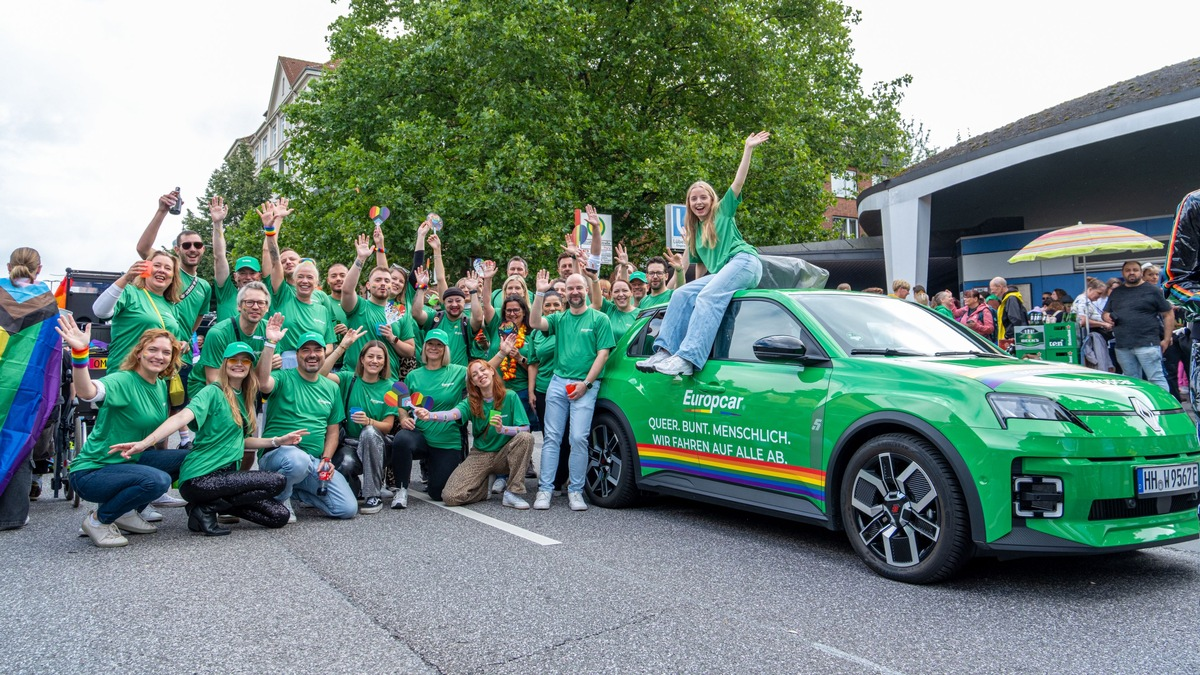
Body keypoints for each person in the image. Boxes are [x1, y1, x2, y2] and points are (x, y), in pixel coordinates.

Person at [109, 342, 301, 535]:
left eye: (245, 361)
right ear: (225, 364)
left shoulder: (245, 396)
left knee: (278, 516)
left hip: (224, 480)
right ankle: (205, 508)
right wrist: (145, 443)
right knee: (276, 481)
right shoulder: (212, 392)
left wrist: (277, 441)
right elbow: (182, 416)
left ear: (251, 366)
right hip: (201, 477)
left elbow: (240, 441)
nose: (239, 364)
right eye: (234, 359)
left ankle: (205, 507)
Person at [640, 132, 768, 377]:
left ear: (712, 200)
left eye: (703, 197)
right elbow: (699, 273)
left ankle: (688, 358)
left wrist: (748, 149)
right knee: (681, 294)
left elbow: (738, 182)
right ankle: (665, 351)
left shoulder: (723, 212)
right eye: (693, 199)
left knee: (709, 296)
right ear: (689, 204)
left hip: (745, 263)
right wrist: (683, 276)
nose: (699, 202)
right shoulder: (695, 234)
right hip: (723, 272)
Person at [60, 322, 189, 547]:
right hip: (94, 471)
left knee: (189, 457)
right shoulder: (124, 380)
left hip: (129, 461)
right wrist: (80, 355)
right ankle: (99, 520)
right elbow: (88, 391)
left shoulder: (159, 384)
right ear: (139, 353)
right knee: (158, 480)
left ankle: (126, 511)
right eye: (153, 349)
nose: (159, 356)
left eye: (166, 352)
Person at [529, 270, 615, 510]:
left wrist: (586, 384)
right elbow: (535, 322)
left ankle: (575, 491)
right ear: (565, 293)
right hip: (558, 383)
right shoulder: (559, 319)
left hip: (586, 385)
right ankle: (545, 489)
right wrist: (539, 293)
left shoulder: (599, 319)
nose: (575, 292)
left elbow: (603, 353)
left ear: (586, 291)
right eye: (571, 288)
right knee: (552, 439)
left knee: (578, 438)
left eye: (579, 288)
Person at [257, 315, 354, 521]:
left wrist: (326, 459)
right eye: (306, 350)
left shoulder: (331, 387)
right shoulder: (283, 377)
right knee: (297, 460)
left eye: (317, 350)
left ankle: (291, 491)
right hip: (279, 456)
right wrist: (270, 343)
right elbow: (263, 382)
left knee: (346, 509)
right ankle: (279, 500)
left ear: (323, 353)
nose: (312, 355)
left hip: (313, 462)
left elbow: (333, 430)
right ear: (298, 354)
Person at [417, 359, 534, 508]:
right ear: (473, 382)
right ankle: (485, 489)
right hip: (481, 454)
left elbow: (525, 429)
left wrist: (503, 429)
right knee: (450, 497)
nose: (480, 375)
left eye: (483, 370)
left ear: (492, 371)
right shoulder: (471, 401)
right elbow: (454, 414)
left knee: (525, 438)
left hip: (505, 455)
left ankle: (512, 492)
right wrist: (430, 415)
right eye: (475, 374)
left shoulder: (510, 396)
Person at [0, 247, 60, 531]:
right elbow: (50, 354)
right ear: (39, 269)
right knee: (18, 440)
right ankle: (11, 514)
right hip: (25, 386)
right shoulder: (46, 302)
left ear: (9, 265)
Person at [320, 331, 399, 515]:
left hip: (379, 446)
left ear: (384, 362)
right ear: (362, 359)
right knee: (345, 465)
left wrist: (368, 421)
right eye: (370, 356)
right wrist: (343, 346)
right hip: (350, 444)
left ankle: (374, 495)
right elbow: (321, 374)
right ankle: (356, 490)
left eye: (379, 357)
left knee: (370, 432)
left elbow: (388, 426)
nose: (374, 361)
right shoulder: (349, 378)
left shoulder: (391, 386)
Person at [387, 329, 467, 507]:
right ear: (424, 347)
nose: (434, 348)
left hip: (447, 440)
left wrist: (502, 352)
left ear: (445, 349)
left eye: (439, 345)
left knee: (438, 493)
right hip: (420, 435)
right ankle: (401, 490)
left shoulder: (458, 372)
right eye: (430, 344)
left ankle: (435, 469)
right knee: (401, 439)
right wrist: (402, 417)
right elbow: (401, 403)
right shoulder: (413, 375)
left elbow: (484, 372)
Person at [261, 200, 336, 364]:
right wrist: (271, 228)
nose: (304, 281)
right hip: (286, 362)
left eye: (309, 277)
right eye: (300, 277)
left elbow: (330, 343)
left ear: (316, 281)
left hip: (315, 363)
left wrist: (317, 356)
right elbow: (272, 257)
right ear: (295, 278)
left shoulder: (322, 307)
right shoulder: (283, 294)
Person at [341, 234, 417, 370]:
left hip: (387, 381)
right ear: (368, 286)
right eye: (378, 280)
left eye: (387, 281)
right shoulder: (358, 306)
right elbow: (346, 290)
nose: (383, 283)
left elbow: (410, 351)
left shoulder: (399, 312)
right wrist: (360, 259)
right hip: (356, 378)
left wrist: (393, 339)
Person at [1104, 260, 1174, 391]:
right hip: (1123, 345)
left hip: (1148, 343)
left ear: (1141, 272)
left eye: (1135, 270)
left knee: (1156, 379)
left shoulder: (1153, 290)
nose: (1131, 272)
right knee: (1131, 381)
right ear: (1123, 273)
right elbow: (1105, 312)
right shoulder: (1116, 292)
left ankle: (1165, 410)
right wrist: (1106, 317)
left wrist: (1166, 338)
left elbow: (1168, 314)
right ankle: (1139, 410)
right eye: (1128, 270)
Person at [529, 290, 571, 487]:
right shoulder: (536, 333)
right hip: (543, 389)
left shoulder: (566, 325)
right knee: (551, 437)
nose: (552, 308)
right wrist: (531, 391)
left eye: (556, 305)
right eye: (548, 305)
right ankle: (554, 478)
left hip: (567, 386)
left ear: (563, 306)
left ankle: (564, 477)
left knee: (569, 436)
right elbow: (533, 363)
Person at [210, 196, 265, 322]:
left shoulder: (266, 298)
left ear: (260, 276)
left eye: (252, 273)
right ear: (235, 276)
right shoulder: (227, 293)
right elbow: (219, 256)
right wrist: (217, 223)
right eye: (243, 273)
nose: (248, 277)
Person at [989, 276, 1027, 341]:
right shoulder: (1007, 299)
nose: (991, 292)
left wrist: (1007, 336)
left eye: (993, 289)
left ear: (1000, 287)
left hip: (1011, 340)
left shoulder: (1011, 299)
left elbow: (1015, 319)